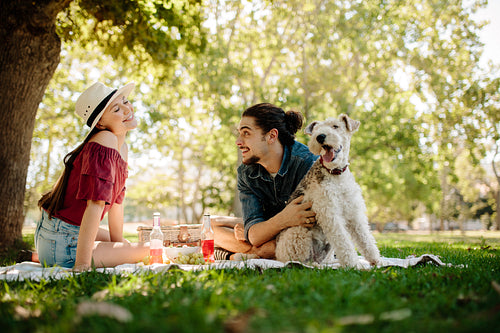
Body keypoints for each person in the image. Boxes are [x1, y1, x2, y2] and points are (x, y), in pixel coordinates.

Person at [36, 82, 149, 271]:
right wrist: (82, 266)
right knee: (148, 250)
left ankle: (41, 255)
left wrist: (118, 247)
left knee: (129, 248)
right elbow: (95, 205)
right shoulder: (105, 140)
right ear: (100, 124)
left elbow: (117, 204)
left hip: (59, 233)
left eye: (125, 102)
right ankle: (62, 258)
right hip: (62, 240)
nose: (127, 109)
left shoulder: (122, 148)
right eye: (116, 109)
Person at [213, 103, 318, 260]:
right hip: (273, 227)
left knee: (271, 247)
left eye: (246, 133)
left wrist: (258, 232)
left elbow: (308, 224)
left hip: (301, 237)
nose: (238, 141)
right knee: (210, 225)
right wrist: (281, 220)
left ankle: (238, 255)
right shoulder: (246, 172)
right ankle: (255, 254)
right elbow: (255, 237)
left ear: (271, 136)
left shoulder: (307, 164)